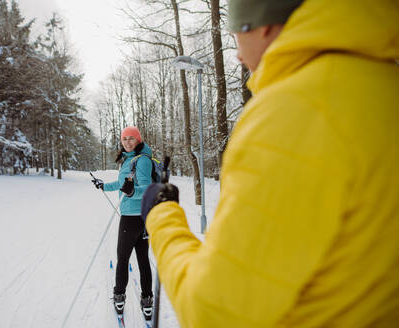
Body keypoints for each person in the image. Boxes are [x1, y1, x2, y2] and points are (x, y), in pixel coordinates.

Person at [141, 0, 399, 327]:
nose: (236, 53)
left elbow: (214, 312)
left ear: (262, 25)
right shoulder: (384, 85)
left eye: (236, 33)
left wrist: (162, 215)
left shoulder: (293, 112)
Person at [92, 126, 154, 319]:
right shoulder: (129, 160)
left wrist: (133, 192)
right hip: (140, 217)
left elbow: (147, 188)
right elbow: (123, 186)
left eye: (131, 138)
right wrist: (104, 186)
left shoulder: (142, 160)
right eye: (124, 139)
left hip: (133, 219)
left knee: (125, 260)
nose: (127, 142)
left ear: (138, 140)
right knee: (141, 259)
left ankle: (121, 297)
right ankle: (147, 300)